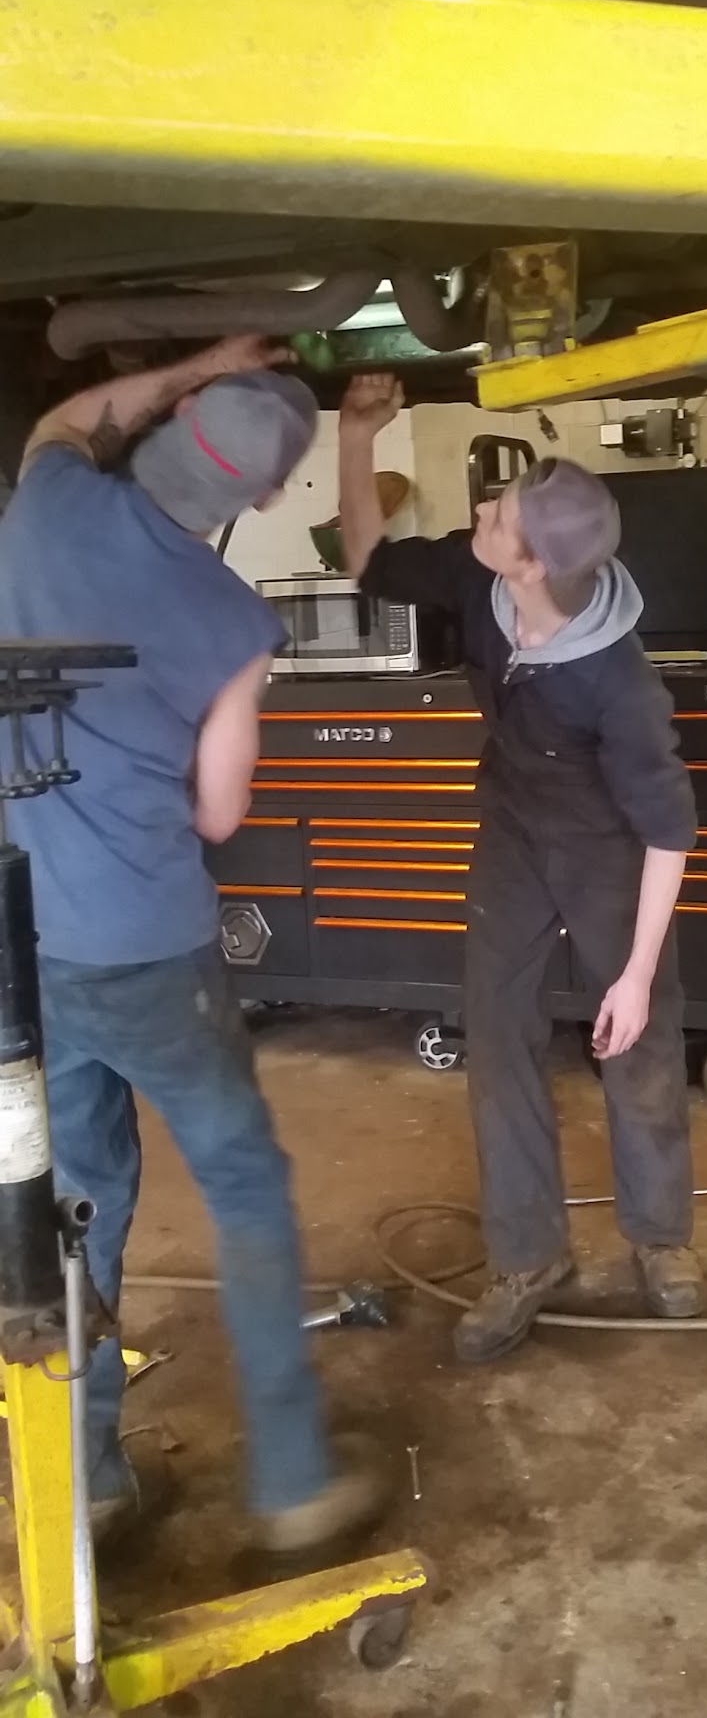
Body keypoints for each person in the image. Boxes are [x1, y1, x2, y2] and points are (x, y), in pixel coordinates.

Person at [0, 336, 380, 1551]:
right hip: (148, 949)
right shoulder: (231, 618)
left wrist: (197, 362)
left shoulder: (48, 496)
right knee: (244, 1181)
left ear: (167, 429)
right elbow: (219, 813)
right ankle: (293, 1482)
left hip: (25, 939)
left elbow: (65, 418)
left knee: (76, 1198)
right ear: (260, 500)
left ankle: (89, 1482)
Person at [338, 372, 702, 1363]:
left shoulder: (619, 683)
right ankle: (527, 1256)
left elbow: (670, 832)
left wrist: (633, 975)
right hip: (511, 833)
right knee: (497, 1035)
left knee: (638, 1039)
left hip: (607, 849)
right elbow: (367, 560)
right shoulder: (479, 578)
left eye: (495, 518)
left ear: (535, 562)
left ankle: (660, 1238)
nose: (480, 520)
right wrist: (357, 438)